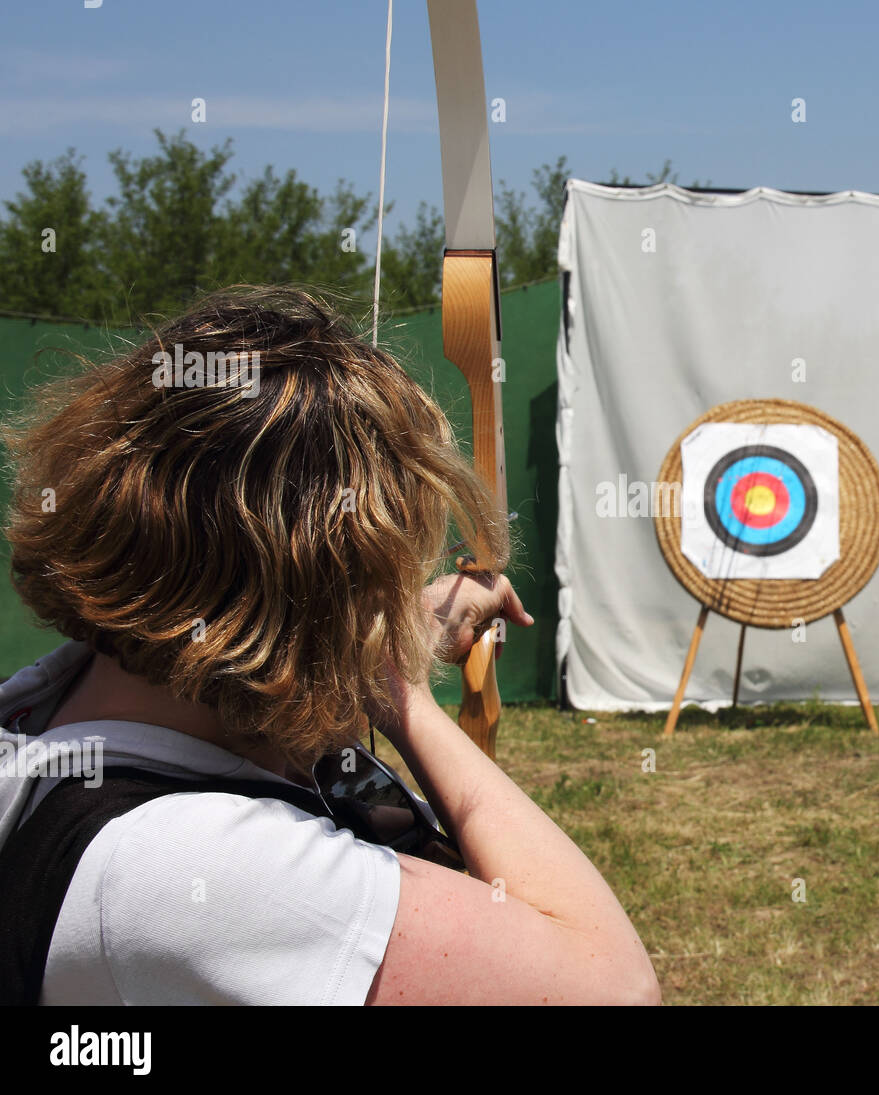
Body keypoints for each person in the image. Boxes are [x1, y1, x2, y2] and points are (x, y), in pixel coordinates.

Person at [0, 285, 660, 1006]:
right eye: (376, 579)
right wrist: (397, 684)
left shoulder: (57, 719)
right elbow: (610, 985)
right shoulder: (177, 861)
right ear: (321, 602)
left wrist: (385, 628)